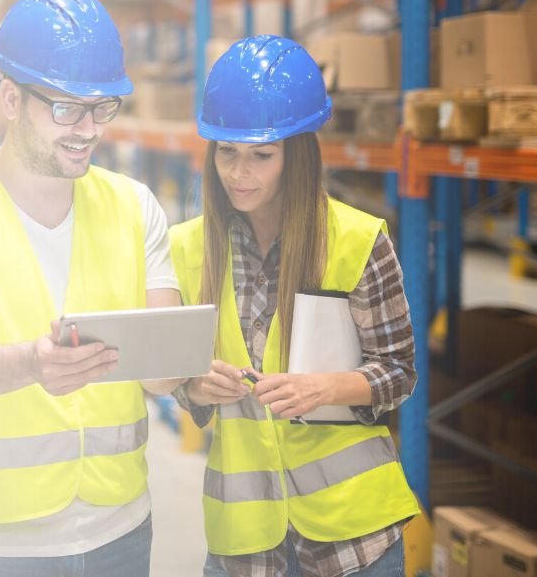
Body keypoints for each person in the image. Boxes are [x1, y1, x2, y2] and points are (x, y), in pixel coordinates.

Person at [0, 0, 180, 576]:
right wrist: (27, 364)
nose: (87, 129)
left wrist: (197, 358)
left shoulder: (134, 206)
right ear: (11, 99)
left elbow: (163, 375)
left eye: (102, 108)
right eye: (65, 108)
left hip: (120, 531)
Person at [169, 35, 421, 577]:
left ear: (298, 155)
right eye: (227, 153)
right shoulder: (187, 250)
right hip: (246, 540)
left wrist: (322, 387)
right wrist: (194, 387)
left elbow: (399, 374)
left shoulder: (357, 239)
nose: (239, 173)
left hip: (355, 536)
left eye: (262, 155)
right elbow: (177, 379)